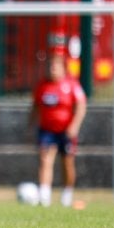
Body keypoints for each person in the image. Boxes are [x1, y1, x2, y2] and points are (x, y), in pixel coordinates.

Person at [28, 49, 87, 207]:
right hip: (47, 131)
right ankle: (45, 196)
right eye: (49, 66)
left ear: (63, 68)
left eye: (55, 66)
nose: (52, 69)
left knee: (67, 163)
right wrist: (30, 126)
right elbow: (35, 107)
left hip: (66, 131)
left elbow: (81, 106)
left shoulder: (71, 85)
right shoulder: (42, 85)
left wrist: (74, 126)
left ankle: (67, 194)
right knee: (45, 160)